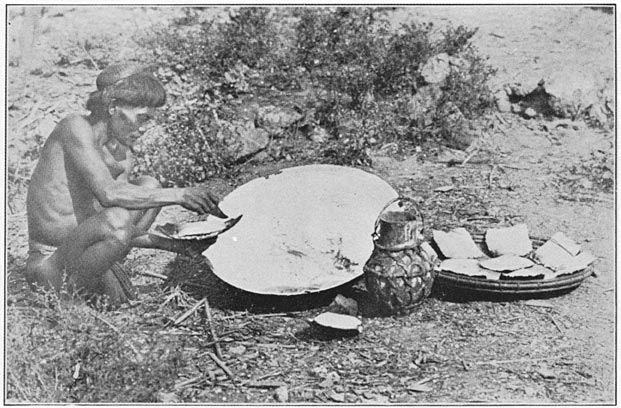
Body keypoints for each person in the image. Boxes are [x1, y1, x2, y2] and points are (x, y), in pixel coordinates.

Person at [26, 63, 224, 306]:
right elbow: (110, 196)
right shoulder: (74, 127)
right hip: (50, 261)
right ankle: (69, 300)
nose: (145, 128)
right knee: (122, 215)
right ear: (112, 107)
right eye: (142, 118)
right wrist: (180, 195)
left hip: (80, 248)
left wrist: (178, 246)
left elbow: (117, 223)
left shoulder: (122, 154)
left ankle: (101, 268)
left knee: (148, 187)